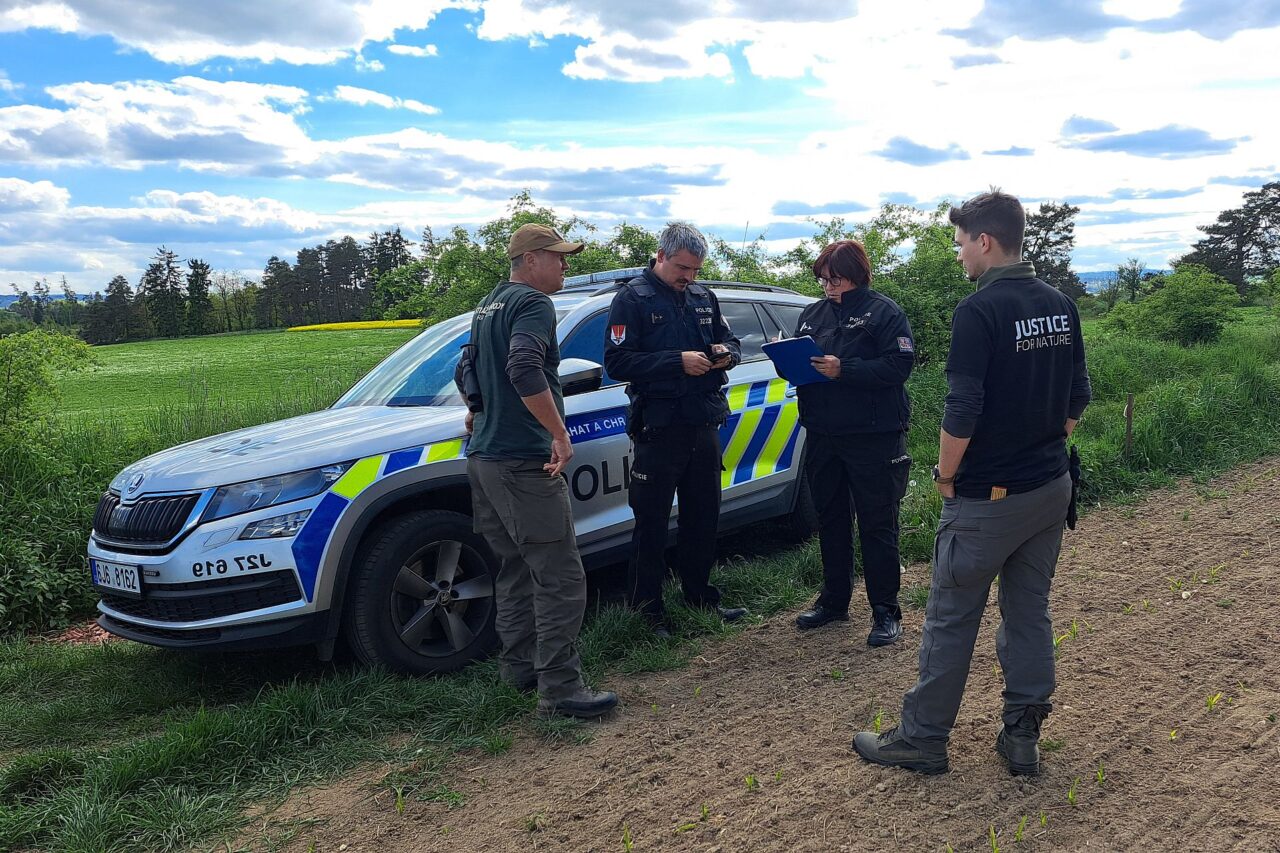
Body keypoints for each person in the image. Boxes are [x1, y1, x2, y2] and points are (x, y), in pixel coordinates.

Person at [853, 189, 1092, 775]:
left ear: (985, 241)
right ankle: (1021, 737)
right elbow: (1078, 393)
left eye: (961, 244)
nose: (960, 256)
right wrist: (1044, 441)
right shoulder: (1060, 303)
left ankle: (922, 738)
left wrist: (945, 475)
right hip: (1050, 487)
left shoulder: (977, 311)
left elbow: (962, 407)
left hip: (988, 498)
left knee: (951, 617)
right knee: (1029, 610)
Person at [457, 223, 617, 720]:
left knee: (516, 569)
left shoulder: (489, 305)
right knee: (560, 576)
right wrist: (560, 434)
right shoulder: (533, 305)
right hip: (522, 461)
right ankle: (561, 688)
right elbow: (524, 367)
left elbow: (466, 368)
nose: (566, 265)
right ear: (531, 260)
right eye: (558, 257)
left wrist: (477, 407)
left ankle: (519, 668)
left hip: (484, 459)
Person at [603, 221, 749, 638]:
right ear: (661, 256)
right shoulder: (631, 299)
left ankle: (701, 597)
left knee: (703, 516)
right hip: (659, 425)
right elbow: (618, 363)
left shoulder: (704, 296)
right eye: (683, 268)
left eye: (696, 270)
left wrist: (727, 354)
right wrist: (676, 361)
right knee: (651, 522)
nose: (689, 277)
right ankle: (647, 612)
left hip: (703, 420)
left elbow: (730, 341)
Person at [784, 239, 915, 645]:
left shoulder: (884, 312)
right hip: (822, 434)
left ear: (857, 275)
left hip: (872, 436)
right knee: (831, 519)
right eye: (823, 278)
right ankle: (834, 601)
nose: (828, 285)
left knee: (877, 523)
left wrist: (846, 369)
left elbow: (900, 364)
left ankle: (885, 611)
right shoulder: (811, 314)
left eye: (835, 278)